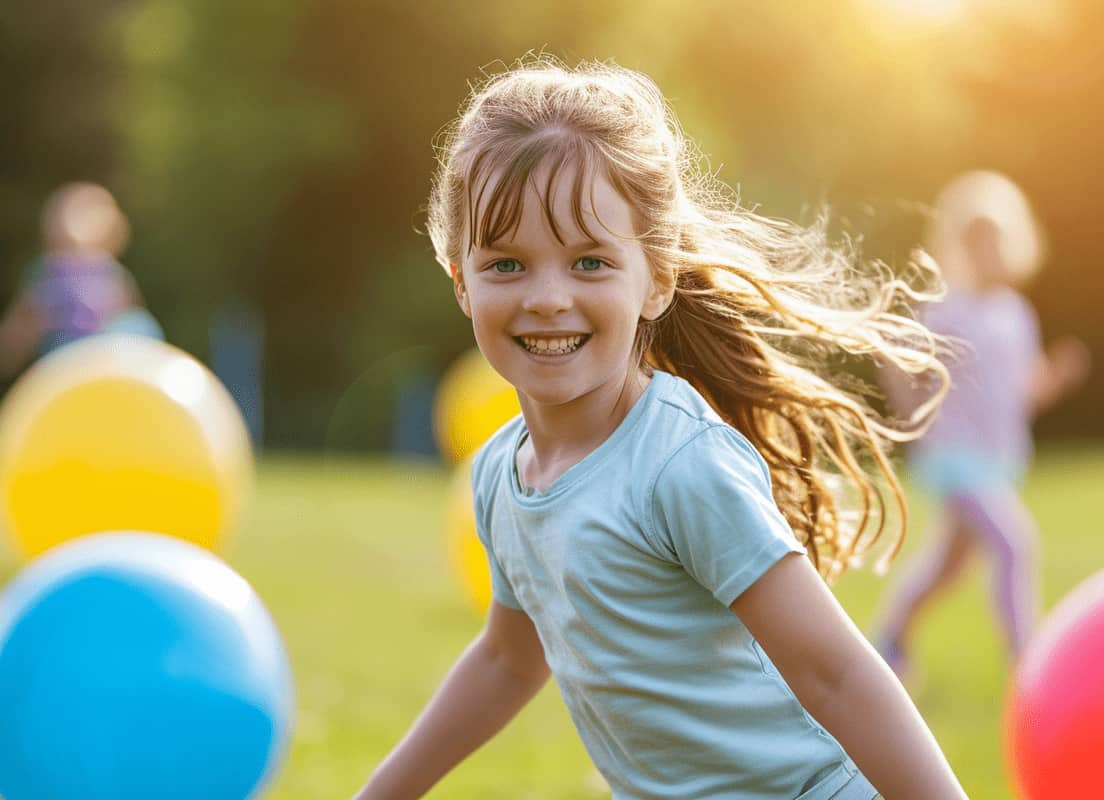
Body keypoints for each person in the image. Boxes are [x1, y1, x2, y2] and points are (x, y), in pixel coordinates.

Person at [356, 59, 967, 800]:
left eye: (589, 262)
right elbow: (507, 661)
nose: (548, 298)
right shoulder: (499, 476)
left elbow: (834, 672)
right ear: (461, 281)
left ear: (657, 280)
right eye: (508, 264)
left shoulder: (680, 464)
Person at [875, 171, 1091, 682]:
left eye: (995, 240)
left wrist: (1055, 377)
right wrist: (914, 417)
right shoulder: (949, 311)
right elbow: (894, 359)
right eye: (975, 241)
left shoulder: (1015, 313)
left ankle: (889, 639)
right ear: (957, 247)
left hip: (996, 461)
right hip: (954, 459)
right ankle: (1030, 668)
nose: (986, 251)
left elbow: (1022, 393)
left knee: (947, 567)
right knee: (1016, 544)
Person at [0, 181, 163, 379]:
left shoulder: (112, 276)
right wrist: (20, 338)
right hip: (62, 360)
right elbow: (17, 329)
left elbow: (134, 325)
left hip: (103, 360)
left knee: (139, 324)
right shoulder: (46, 276)